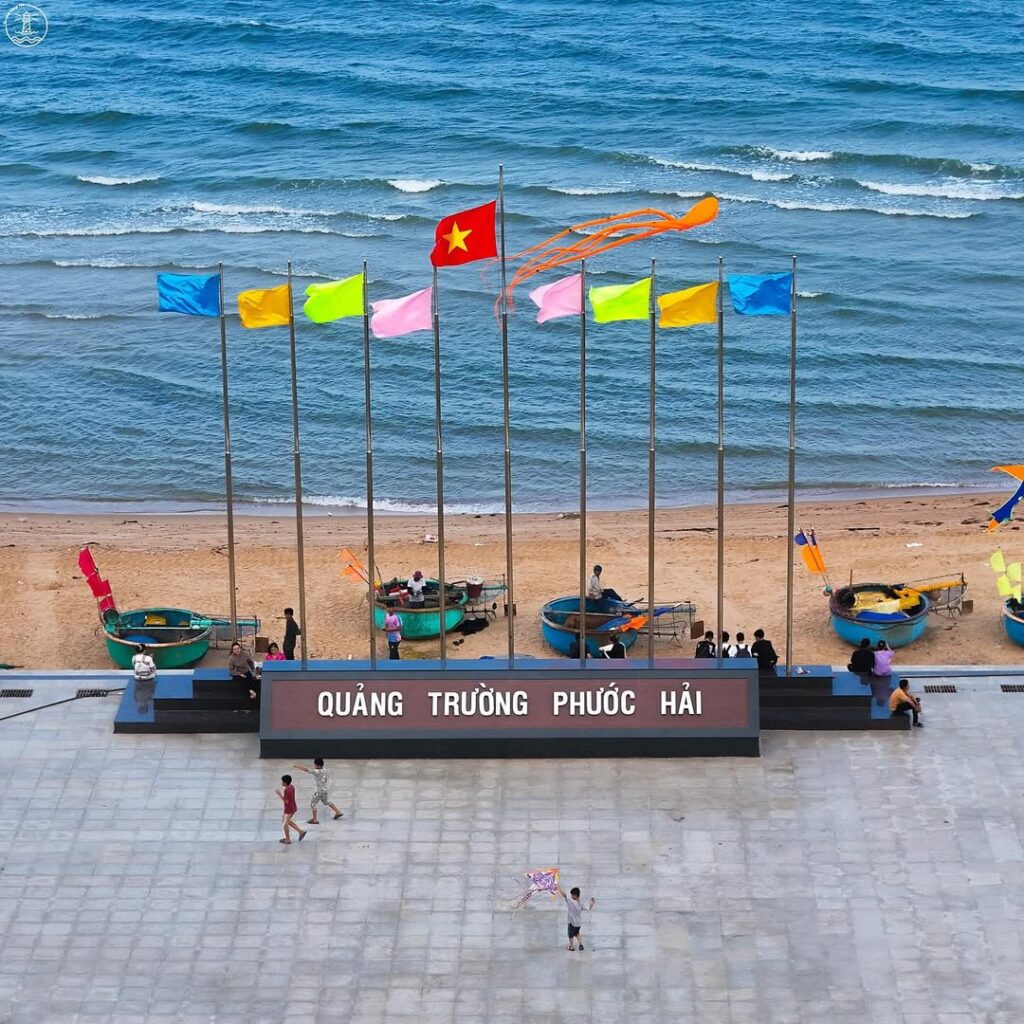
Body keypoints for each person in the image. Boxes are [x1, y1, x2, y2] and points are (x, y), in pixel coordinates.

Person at [293, 758, 343, 824]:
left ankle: (315, 820)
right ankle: (338, 811)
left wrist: (298, 766)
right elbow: (326, 779)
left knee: (313, 804)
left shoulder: (316, 771)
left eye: (315, 765)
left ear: (318, 765)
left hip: (318, 792)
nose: (314, 766)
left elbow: (307, 770)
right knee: (326, 802)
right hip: (324, 790)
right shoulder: (324, 770)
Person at [556, 884, 595, 951]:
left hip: (572, 923)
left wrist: (558, 887)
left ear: (575, 895)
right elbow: (589, 908)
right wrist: (593, 902)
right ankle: (580, 944)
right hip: (578, 923)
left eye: (572, 895)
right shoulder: (581, 903)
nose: (571, 896)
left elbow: (564, 894)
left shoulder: (570, 901)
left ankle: (571, 947)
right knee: (577, 933)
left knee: (570, 935)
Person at [275, 775, 306, 844]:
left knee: (285, 824)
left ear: (285, 783)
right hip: (293, 806)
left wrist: (279, 794)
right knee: (287, 821)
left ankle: (287, 839)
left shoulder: (286, 790)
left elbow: (286, 801)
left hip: (289, 809)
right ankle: (300, 832)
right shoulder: (292, 786)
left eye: (282, 781)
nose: (281, 783)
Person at [131, 644, 157, 713]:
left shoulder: (134, 658)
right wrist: (151, 659)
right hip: (149, 678)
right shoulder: (148, 658)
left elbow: (134, 665)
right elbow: (153, 668)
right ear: (144, 650)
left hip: (137, 679)